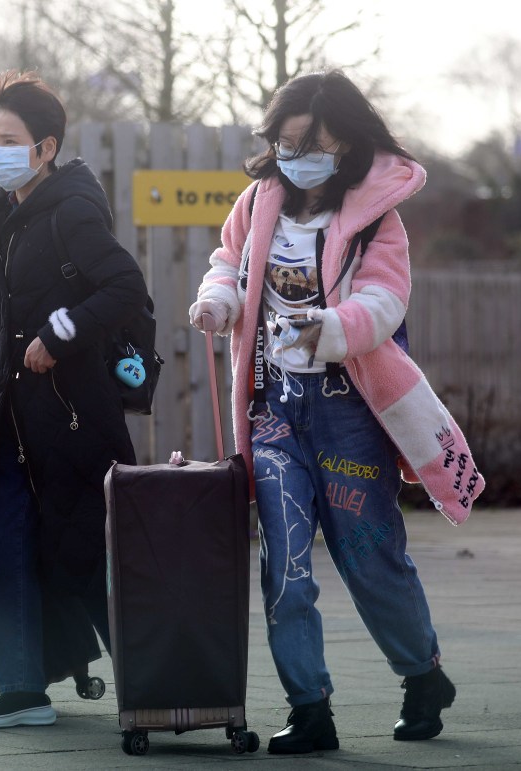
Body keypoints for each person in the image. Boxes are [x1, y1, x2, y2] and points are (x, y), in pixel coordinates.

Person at [189, 70, 485, 754]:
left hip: (347, 408)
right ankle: (309, 705)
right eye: (286, 142)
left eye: (312, 143)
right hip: (271, 411)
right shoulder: (257, 201)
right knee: (283, 563)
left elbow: (387, 298)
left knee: (369, 556)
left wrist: (336, 325)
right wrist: (218, 300)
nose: (296, 155)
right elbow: (227, 263)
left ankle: (421, 674)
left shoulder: (377, 216)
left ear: (347, 143)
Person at [0, 70, 147, 729]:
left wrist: (59, 334)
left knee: (89, 554)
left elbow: (124, 287)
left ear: (45, 148)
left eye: (7, 139)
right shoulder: (5, 212)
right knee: (3, 547)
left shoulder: (72, 208)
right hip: (10, 419)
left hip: (69, 420)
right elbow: (4, 304)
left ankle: (155, 686)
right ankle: (20, 690)